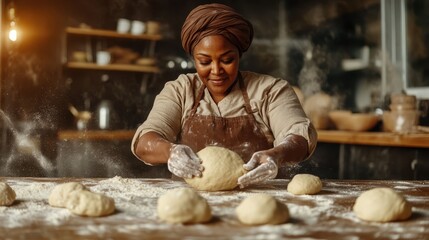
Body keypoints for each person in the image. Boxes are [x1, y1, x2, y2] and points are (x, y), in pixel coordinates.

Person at [131, 3, 317, 188]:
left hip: (258, 198)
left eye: (227, 60)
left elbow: (299, 137)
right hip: (192, 199)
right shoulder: (181, 90)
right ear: (193, 59)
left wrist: (276, 156)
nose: (216, 71)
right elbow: (145, 140)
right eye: (204, 61)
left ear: (239, 55)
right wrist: (170, 151)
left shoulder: (270, 90)